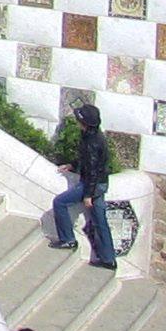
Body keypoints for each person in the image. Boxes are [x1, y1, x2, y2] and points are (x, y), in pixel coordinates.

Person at [51, 102, 116, 268]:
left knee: (59, 202)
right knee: (100, 222)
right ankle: (109, 259)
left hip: (92, 185)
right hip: (99, 184)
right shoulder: (92, 137)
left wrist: (88, 195)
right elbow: (86, 160)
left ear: (85, 123)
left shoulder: (92, 141)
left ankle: (67, 239)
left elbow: (93, 169)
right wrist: (72, 165)